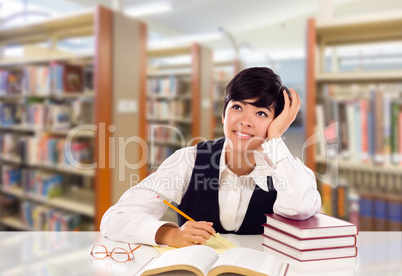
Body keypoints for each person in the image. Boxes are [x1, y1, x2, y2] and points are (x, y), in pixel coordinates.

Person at [100, 67, 321, 247]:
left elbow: (299, 208)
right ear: (224, 115)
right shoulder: (189, 160)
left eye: (261, 113)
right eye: (237, 107)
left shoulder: (286, 169)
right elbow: (114, 219)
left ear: (276, 123)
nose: (245, 121)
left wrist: (275, 139)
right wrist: (168, 234)